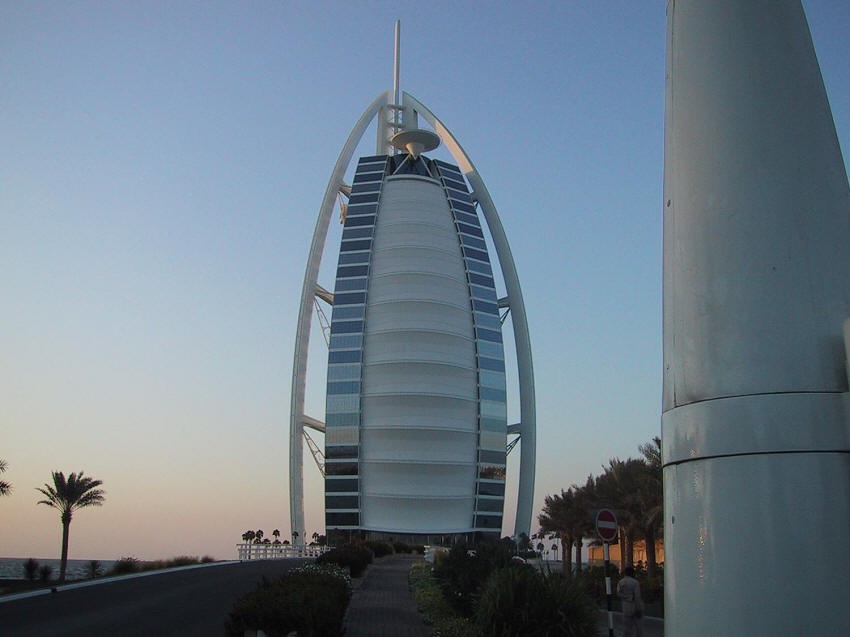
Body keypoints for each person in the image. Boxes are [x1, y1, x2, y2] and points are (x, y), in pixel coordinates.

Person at [617, 566, 644, 637]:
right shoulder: (635, 582)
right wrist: (639, 608)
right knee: (638, 627)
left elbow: (618, 593)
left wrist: (627, 597)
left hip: (626, 607)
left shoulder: (621, 582)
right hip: (635, 606)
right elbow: (637, 596)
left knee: (627, 627)